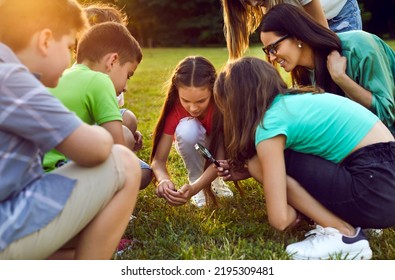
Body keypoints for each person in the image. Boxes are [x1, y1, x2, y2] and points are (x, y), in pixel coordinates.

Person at [214, 56, 395, 260]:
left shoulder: (269, 124)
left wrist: (298, 212)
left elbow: (281, 219)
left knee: (256, 163)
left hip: (372, 189)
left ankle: (344, 234)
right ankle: (355, 221)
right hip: (383, 179)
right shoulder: (295, 102)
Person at [0, 0, 141, 260]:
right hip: (5, 230)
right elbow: (97, 150)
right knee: (125, 163)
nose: (70, 57)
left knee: (82, 245)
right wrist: (97, 130)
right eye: (68, 46)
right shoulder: (11, 79)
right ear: (45, 41)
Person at [42, 22, 152, 190]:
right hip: (62, 171)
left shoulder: (65, 75)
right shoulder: (100, 81)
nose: (125, 87)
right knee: (140, 168)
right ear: (112, 61)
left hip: (39, 168)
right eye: (128, 75)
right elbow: (118, 147)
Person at [259, 3, 395, 134]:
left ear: (297, 36)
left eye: (274, 48)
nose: (271, 58)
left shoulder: (359, 46)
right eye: (267, 51)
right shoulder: (304, 76)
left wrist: (341, 79)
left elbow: (386, 115)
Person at [150, 56, 234, 208]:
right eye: (186, 101)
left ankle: (214, 181)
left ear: (213, 90)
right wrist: (163, 180)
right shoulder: (175, 108)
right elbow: (158, 161)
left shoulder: (221, 105)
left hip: (219, 152)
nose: (193, 108)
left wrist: (194, 189)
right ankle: (195, 179)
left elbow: (220, 160)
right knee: (187, 129)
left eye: (201, 101)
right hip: (194, 143)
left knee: (211, 144)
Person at [221, 0, 362, 60]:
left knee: (339, 64)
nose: (254, 4)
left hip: (339, 12)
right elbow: (279, 47)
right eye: (246, 1)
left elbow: (324, 36)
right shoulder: (265, 4)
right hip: (310, 20)